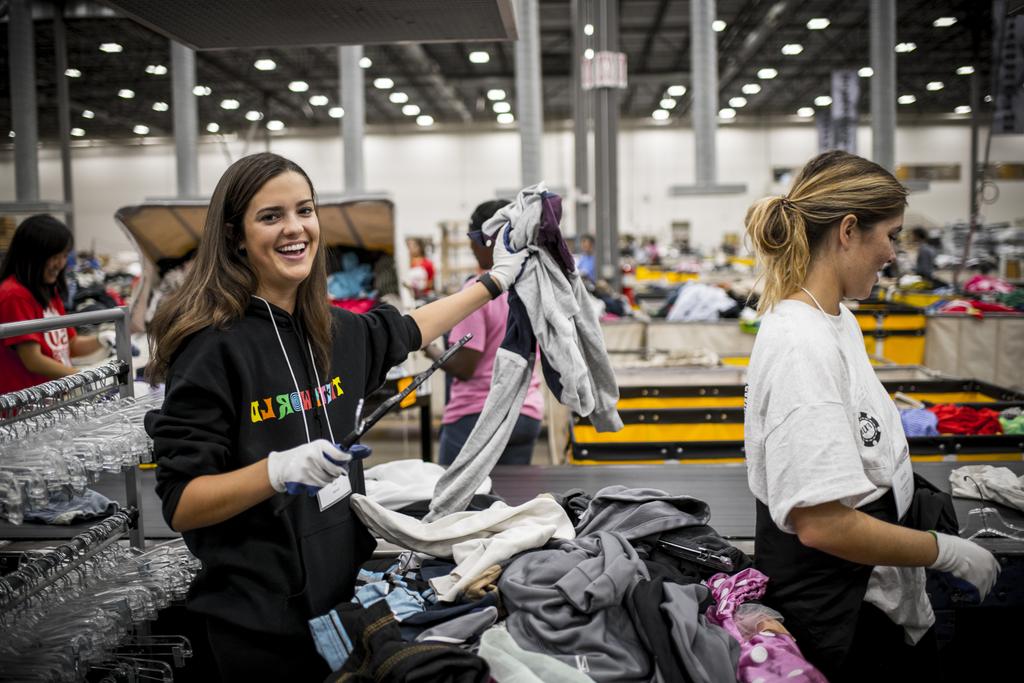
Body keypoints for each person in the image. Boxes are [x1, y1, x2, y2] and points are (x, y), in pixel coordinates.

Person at [144, 153, 528, 681]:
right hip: (256, 627)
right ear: (234, 235)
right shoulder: (212, 348)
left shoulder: (331, 330)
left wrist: (495, 281)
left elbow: (408, 329)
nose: (295, 228)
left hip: (340, 610)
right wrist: (275, 472)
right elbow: (182, 504)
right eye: (271, 216)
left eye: (305, 210)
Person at [743, 150, 999, 681]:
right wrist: (941, 552)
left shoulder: (836, 320)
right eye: (892, 235)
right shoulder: (800, 343)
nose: (893, 254)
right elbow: (821, 523)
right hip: (840, 621)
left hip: (872, 600)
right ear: (848, 230)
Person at [426, 199, 544, 466]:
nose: (470, 246)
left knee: (454, 500)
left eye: (473, 238)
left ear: (489, 240)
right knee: (511, 502)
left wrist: (428, 347)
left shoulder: (478, 292)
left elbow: (465, 366)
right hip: (524, 412)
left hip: (477, 415)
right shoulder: (532, 287)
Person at [0, 215, 104, 394]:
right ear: (32, 255)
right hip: (25, 412)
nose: (61, 264)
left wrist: (104, 340)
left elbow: (70, 345)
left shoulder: (48, 291)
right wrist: (81, 377)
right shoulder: (14, 295)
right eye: (54, 256)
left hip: (51, 403)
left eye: (64, 255)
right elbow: (33, 360)